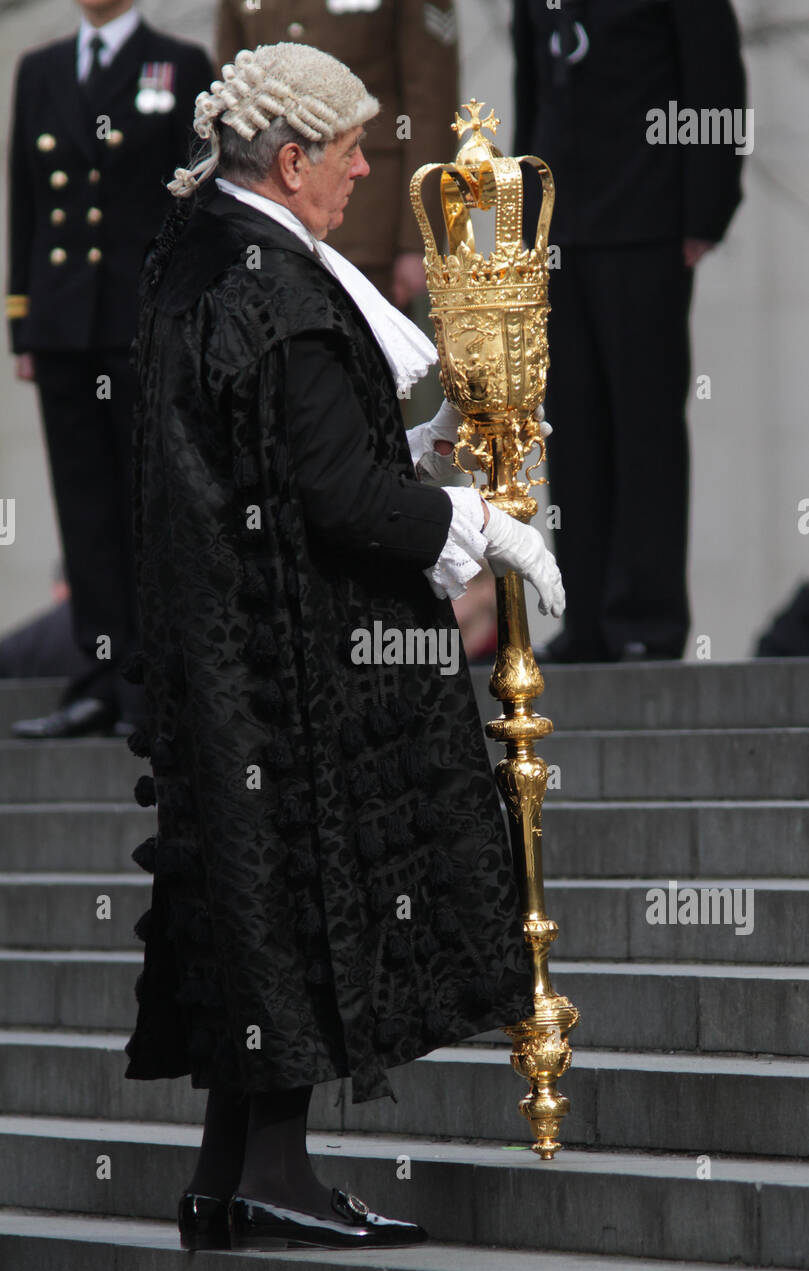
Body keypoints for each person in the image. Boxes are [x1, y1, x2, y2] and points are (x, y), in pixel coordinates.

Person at [121, 42, 565, 1252]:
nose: (367, 170)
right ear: (292, 157)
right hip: (286, 673)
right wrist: (477, 523)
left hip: (230, 663)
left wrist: (409, 452)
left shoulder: (202, 255)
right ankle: (269, 1175)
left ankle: (235, 1179)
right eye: (353, 151)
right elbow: (333, 497)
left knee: (254, 913)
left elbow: (283, 454)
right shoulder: (274, 284)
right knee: (296, 906)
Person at [512, 0, 747, 661]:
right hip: (563, 233)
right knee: (573, 427)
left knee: (643, 429)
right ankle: (584, 618)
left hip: (647, 225)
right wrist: (528, 226)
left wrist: (703, 213)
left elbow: (714, 81)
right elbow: (532, 90)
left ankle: (645, 620)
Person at [5, 0, 214, 736]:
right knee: (84, 511)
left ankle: (153, 686)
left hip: (141, 319)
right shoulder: (40, 68)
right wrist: (23, 319)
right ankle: (97, 679)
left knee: (145, 505)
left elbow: (195, 201)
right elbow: (25, 195)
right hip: (64, 322)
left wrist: (185, 313)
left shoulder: (180, 64)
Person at [214, 0, 459, 306]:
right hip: (268, 212)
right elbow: (231, 99)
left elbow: (429, 106)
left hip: (366, 222)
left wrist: (419, 239)